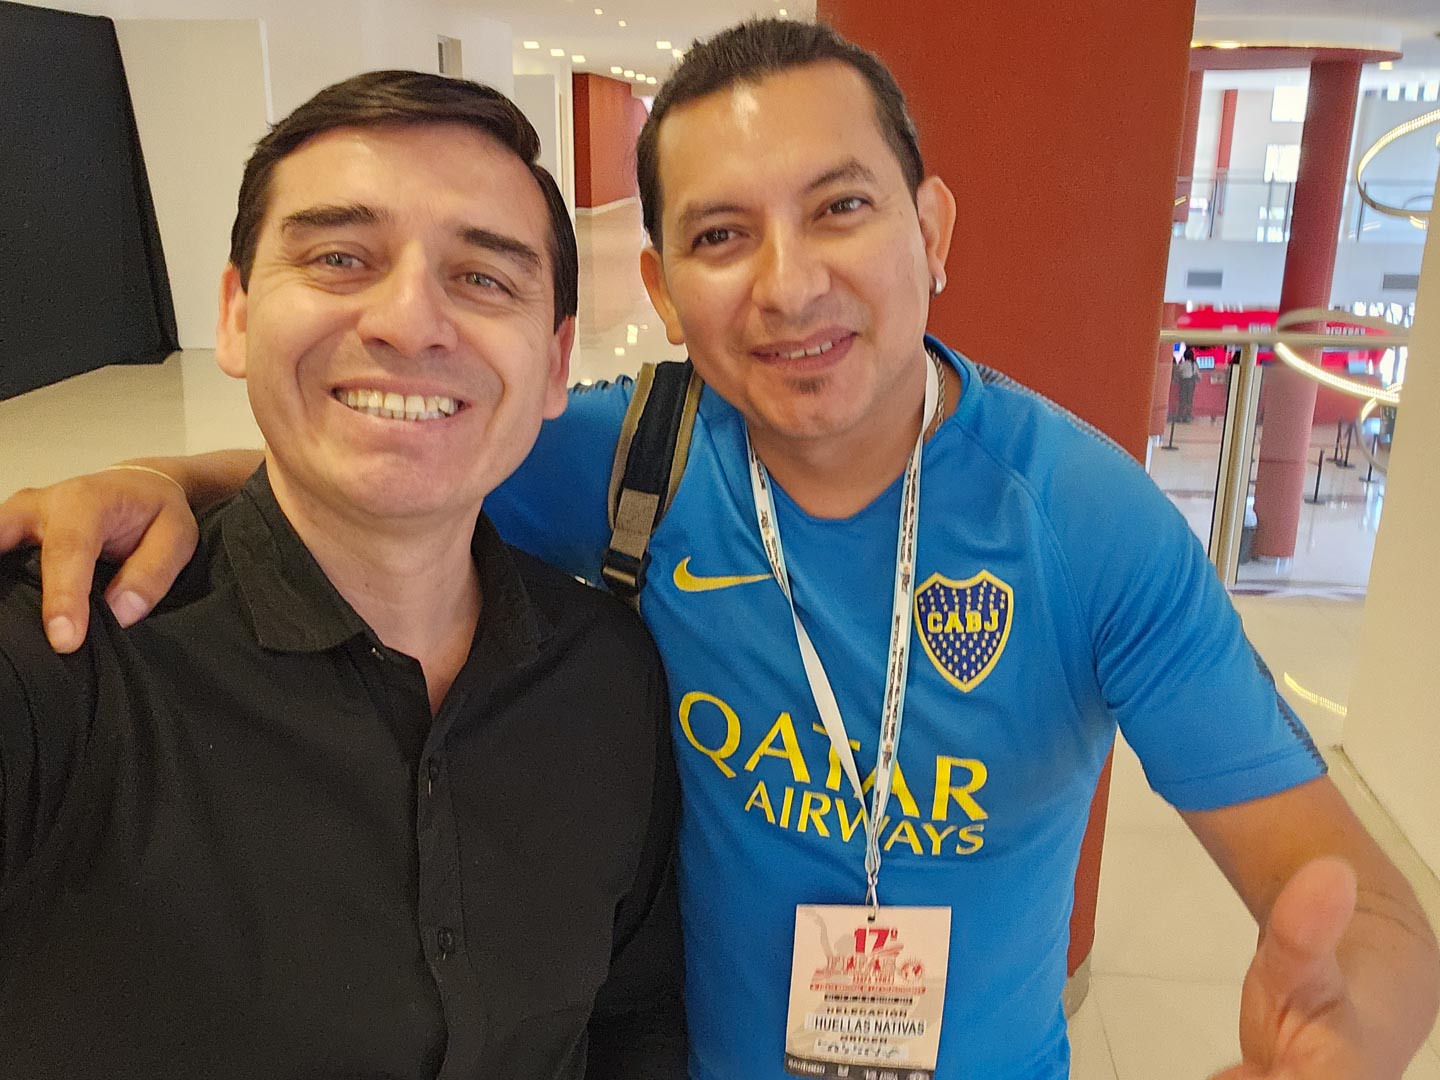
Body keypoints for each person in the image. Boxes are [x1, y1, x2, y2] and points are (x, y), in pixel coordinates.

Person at [3, 19, 1438, 1080]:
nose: (789, 284)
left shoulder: (1089, 525)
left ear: (932, 228)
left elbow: (1366, 905)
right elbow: (395, 446)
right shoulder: (627, 458)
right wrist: (149, 479)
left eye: (841, 207)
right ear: (663, 285)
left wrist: (1354, 1027)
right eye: (720, 234)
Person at [0, 71, 685, 1079]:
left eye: (483, 278)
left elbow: (634, 1020)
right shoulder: (60, 658)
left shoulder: (608, 678)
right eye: (339, 258)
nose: (409, 322)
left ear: (554, 363)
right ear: (236, 315)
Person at [1176, 344, 1199, 421]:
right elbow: (1197, 374)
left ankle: (1180, 415)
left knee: (1182, 399)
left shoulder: (1183, 364)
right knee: (1189, 400)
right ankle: (1188, 415)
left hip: (1183, 382)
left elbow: (1179, 372)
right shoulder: (1194, 364)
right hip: (1191, 383)